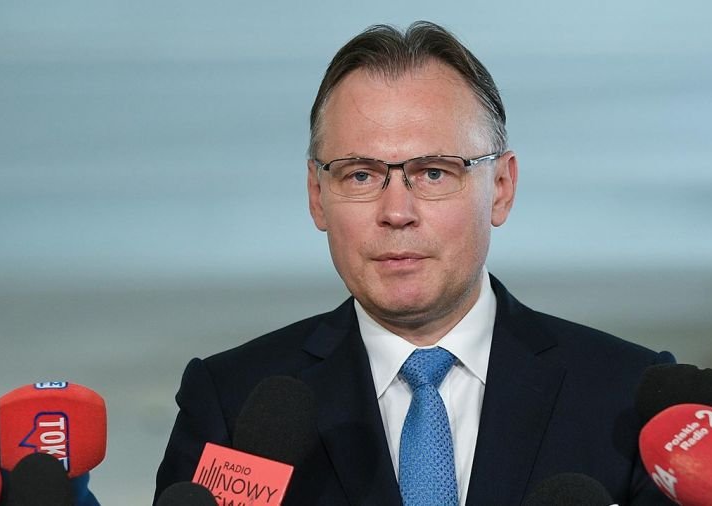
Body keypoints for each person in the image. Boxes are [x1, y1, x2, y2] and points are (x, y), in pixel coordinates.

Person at [154, 20, 681, 505]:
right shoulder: (232, 402)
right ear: (317, 196)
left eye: (433, 172)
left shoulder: (629, 398)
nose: (397, 212)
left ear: (501, 188)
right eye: (360, 175)